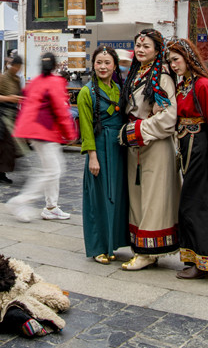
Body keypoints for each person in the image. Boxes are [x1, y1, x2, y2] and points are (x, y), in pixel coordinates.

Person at [117, 29, 181, 270]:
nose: (141, 50)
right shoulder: (137, 73)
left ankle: (148, 251)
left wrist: (139, 129)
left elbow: (169, 116)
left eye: (146, 46)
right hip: (136, 145)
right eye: (138, 46)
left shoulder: (161, 76)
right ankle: (141, 247)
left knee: (154, 196)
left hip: (154, 144)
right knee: (139, 195)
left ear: (157, 51)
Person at [167, 38, 208, 279]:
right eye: (170, 61)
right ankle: (197, 258)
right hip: (187, 150)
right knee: (192, 204)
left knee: (197, 206)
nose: (173, 65)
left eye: (176, 59)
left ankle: (204, 261)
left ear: (187, 57)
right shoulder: (184, 85)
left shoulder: (203, 85)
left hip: (201, 151)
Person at [6, 53, 77, 223]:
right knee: (53, 171)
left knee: (51, 169)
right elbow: (61, 111)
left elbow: (25, 104)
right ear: (55, 66)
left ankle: (51, 207)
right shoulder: (55, 82)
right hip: (45, 130)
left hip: (34, 130)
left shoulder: (35, 81)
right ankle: (20, 201)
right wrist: (70, 134)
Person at [78, 46, 129, 264]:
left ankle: (113, 242)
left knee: (117, 197)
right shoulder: (86, 92)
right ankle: (98, 246)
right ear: (93, 65)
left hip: (118, 149)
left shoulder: (119, 89)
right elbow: (86, 129)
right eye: (99, 62)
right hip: (99, 148)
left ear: (115, 66)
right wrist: (92, 156)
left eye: (107, 63)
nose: (103, 67)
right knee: (98, 199)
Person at [0, 54, 24, 184]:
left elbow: (18, 96)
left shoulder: (16, 79)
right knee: (7, 146)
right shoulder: (2, 78)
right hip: (0, 117)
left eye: (20, 67)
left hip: (12, 117)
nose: (17, 69)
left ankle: (3, 170)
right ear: (12, 66)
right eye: (16, 66)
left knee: (15, 145)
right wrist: (9, 98)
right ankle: (0, 173)